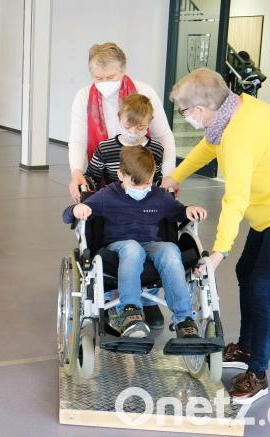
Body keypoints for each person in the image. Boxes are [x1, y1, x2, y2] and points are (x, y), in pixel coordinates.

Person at [161, 68, 270, 405]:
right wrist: (176, 177)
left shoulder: (239, 135)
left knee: (261, 283)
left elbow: (235, 198)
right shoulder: (232, 112)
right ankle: (246, 348)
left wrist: (218, 251)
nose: (186, 117)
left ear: (201, 110)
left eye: (185, 111)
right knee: (245, 272)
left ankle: (258, 374)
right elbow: (208, 147)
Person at [67, 43, 176, 328]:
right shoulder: (83, 97)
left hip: (145, 175)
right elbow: (78, 138)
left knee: (152, 233)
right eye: (98, 79)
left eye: (110, 78)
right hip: (108, 181)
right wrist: (77, 173)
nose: (103, 84)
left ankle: (148, 300)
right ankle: (112, 298)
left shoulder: (143, 93)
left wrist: (167, 177)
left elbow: (164, 136)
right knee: (113, 235)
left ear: (123, 70)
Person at [63, 146, 206, 338]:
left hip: (152, 245)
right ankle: (130, 311)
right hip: (119, 247)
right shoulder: (108, 195)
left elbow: (178, 211)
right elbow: (67, 215)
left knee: (172, 250)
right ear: (120, 175)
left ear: (153, 175)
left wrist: (189, 210)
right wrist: (76, 209)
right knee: (132, 248)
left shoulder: (159, 196)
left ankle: (184, 319)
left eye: (146, 185)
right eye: (135, 185)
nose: (142, 190)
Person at [85, 93, 164, 187]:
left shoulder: (156, 149)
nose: (133, 132)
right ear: (119, 118)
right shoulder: (105, 148)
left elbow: (156, 179)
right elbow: (92, 176)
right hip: (113, 198)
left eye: (140, 127)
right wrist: (85, 184)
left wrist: (164, 185)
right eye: (128, 126)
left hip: (146, 199)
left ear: (149, 122)